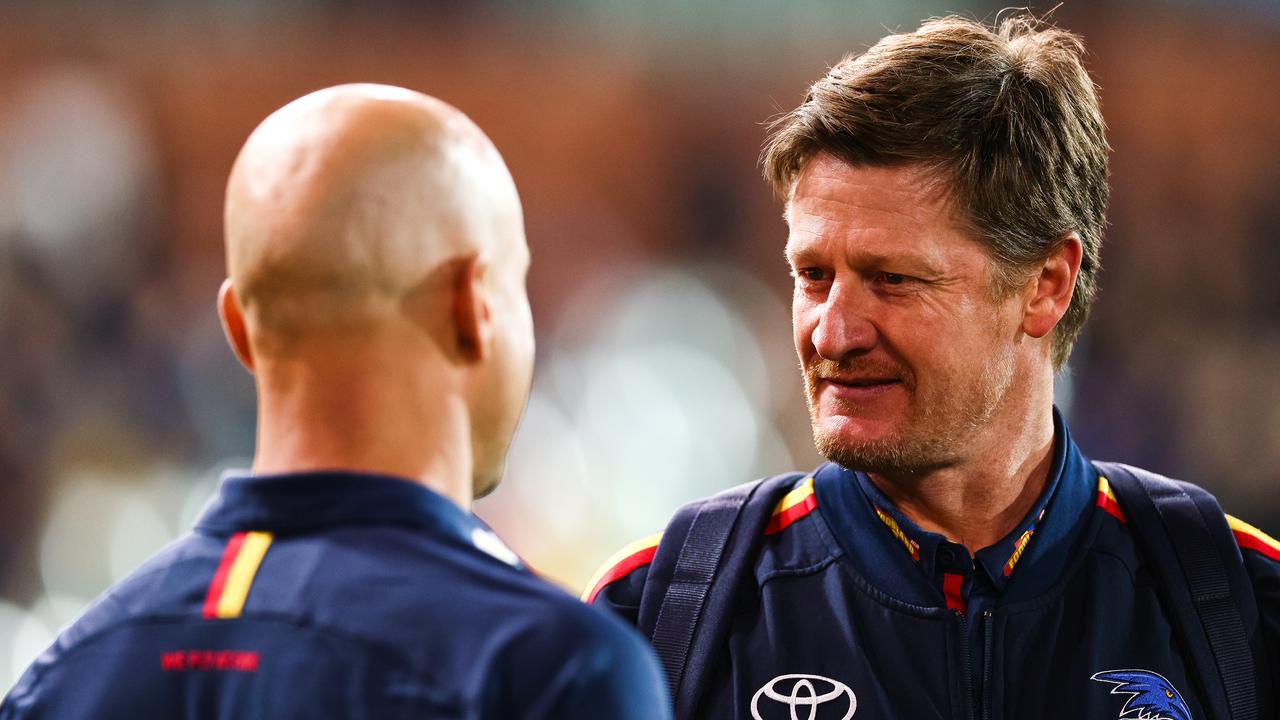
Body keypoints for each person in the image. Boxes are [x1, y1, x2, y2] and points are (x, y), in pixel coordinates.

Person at [587, 15, 1280, 720]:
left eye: (893, 279)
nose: (833, 332)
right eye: (814, 275)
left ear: (1045, 285)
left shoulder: (1241, 605)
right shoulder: (654, 615)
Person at [1, 84, 670, 719]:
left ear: (238, 329)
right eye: (517, 283)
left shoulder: (65, 676)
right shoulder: (551, 669)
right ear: (476, 306)